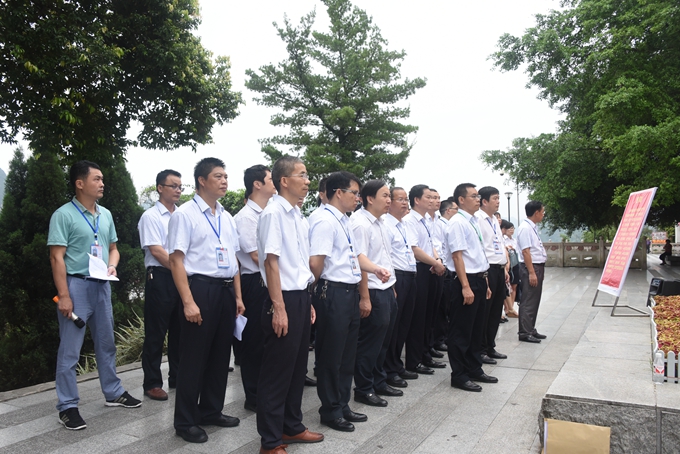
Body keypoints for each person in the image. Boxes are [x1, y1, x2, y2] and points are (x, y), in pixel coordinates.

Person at [48, 160, 142, 430]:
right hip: (76, 286)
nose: (102, 183)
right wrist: (64, 295)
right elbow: (56, 257)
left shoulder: (106, 214)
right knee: (70, 351)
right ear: (80, 183)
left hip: (102, 285)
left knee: (106, 343)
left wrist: (112, 264)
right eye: (96, 179)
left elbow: (113, 248)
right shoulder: (63, 215)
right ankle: (67, 406)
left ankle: (113, 392)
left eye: (102, 179)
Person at [168, 157, 245, 443]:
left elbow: (234, 260)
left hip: (225, 291)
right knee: (194, 357)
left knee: (220, 355)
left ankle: (211, 410)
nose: (224, 181)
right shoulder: (185, 215)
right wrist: (188, 302)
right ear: (202, 180)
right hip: (200, 289)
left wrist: (238, 296)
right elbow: (176, 261)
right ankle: (185, 421)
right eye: (218, 176)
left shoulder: (226, 216)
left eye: (225, 176)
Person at [309, 171, 391, 433]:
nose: (358, 198)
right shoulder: (324, 220)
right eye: (354, 193)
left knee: (347, 355)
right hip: (332, 292)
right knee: (331, 356)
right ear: (338, 193)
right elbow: (316, 263)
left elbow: (356, 256)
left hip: (349, 291)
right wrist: (312, 293)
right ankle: (330, 410)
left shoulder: (344, 219)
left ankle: (342, 404)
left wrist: (375, 269)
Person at [256, 156, 324, 454]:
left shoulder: (298, 215)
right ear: (284, 180)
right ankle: (270, 441)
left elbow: (299, 264)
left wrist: (307, 300)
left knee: (297, 368)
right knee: (277, 373)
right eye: (302, 175)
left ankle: (291, 426)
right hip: (281, 298)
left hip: (300, 297)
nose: (307, 181)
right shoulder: (273, 214)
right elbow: (271, 263)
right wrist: (279, 307)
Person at [349, 180, 400, 408]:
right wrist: (365, 297)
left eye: (390, 196)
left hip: (386, 288)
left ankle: (379, 381)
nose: (389, 200)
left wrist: (392, 287)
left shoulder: (381, 222)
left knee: (383, 342)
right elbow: (359, 262)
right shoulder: (360, 224)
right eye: (385, 196)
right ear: (370, 199)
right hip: (371, 290)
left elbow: (385, 258)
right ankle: (364, 389)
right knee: (369, 344)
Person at [445, 183, 497, 392]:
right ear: (461, 200)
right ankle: (459, 375)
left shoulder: (473, 221)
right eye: (474, 196)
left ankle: (474, 368)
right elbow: (457, 256)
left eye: (478, 196)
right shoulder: (457, 223)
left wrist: (485, 282)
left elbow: (478, 254)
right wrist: (465, 286)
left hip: (479, 279)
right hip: (465, 281)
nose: (478, 199)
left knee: (476, 329)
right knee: (461, 330)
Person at [234, 164, 277, 412]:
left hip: (270, 279)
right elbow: (255, 255)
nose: (275, 182)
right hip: (255, 282)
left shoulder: (270, 212)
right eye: (270, 179)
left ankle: (266, 391)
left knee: (268, 340)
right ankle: (253, 396)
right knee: (253, 341)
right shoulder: (245, 217)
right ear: (257, 184)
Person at [138, 169, 183, 401]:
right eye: (173, 186)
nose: (178, 190)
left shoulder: (182, 215)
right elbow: (156, 250)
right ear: (160, 188)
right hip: (161, 276)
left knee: (180, 330)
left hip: (181, 277)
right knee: (156, 333)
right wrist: (180, 270)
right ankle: (152, 382)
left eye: (180, 187)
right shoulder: (151, 217)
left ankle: (177, 376)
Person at [402, 185, 447, 376]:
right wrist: (435, 263)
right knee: (418, 318)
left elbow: (431, 245)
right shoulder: (410, 220)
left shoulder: (427, 220)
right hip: (420, 269)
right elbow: (415, 249)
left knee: (430, 315)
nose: (432, 200)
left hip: (432, 268)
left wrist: (437, 260)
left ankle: (426, 353)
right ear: (417, 200)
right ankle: (414, 360)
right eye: (428, 197)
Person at [383, 187, 418, 389]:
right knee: (393, 326)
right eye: (400, 199)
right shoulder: (386, 224)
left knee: (405, 323)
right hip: (397, 276)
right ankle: (389, 369)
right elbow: (386, 256)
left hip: (410, 274)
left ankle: (396, 364)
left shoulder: (404, 224)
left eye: (406, 199)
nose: (405, 203)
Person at [475, 187, 510, 365]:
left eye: (498, 198)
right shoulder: (478, 219)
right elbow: (481, 247)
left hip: (499, 268)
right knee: (485, 311)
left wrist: (505, 268)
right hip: (488, 269)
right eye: (495, 198)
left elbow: (499, 244)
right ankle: (480, 349)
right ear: (484, 201)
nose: (498, 201)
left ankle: (490, 346)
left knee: (496, 310)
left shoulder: (494, 220)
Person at [515, 201, 548, 343]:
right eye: (542, 212)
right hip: (531, 266)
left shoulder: (532, 227)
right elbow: (526, 251)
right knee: (528, 299)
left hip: (537, 266)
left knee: (534, 299)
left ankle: (530, 328)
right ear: (536, 212)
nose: (543, 214)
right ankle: (524, 332)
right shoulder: (525, 228)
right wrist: (532, 272)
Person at [432, 198, 458, 352]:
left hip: (447, 268)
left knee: (447, 306)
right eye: (455, 209)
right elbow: (437, 246)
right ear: (448, 211)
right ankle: (438, 339)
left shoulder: (446, 224)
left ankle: (443, 337)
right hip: (440, 266)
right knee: (441, 307)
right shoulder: (440, 224)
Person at [501, 220, 520, 318]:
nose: (511, 230)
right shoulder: (502, 239)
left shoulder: (514, 240)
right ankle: (507, 308)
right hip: (506, 265)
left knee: (514, 286)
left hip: (514, 263)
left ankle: (511, 307)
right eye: (509, 228)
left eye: (513, 228)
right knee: (507, 287)